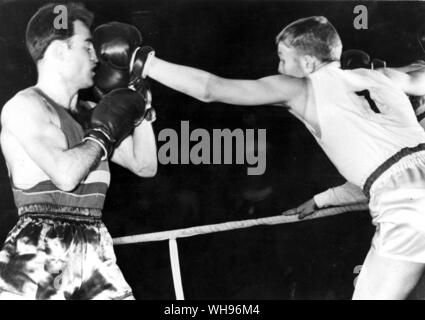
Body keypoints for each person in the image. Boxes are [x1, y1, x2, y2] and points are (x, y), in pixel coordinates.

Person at [129, 16, 425, 299]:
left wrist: (146, 63)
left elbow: (211, 89)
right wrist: (322, 199)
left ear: (308, 62)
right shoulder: (380, 75)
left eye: (283, 58)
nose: (280, 67)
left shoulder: (302, 87)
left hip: (404, 206)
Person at [0, 3, 157, 300]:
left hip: (94, 243)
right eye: (87, 47)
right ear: (59, 51)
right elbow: (65, 175)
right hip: (41, 251)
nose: (96, 56)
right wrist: (102, 132)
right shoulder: (25, 106)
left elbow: (145, 165)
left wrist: (142, 111)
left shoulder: (91, 113)